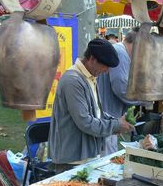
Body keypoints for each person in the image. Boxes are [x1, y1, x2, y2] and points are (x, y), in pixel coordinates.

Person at [48, 38, 135, 174]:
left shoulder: (90, 77)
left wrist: (117, 122)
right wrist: (116, 125)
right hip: (73, 159)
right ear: (92, 59)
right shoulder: (73, 81)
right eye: (105, 66)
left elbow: (98, 112)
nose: (106, 71)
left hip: (86, 156)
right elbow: (85, 122)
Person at [97, 27, 148, 155]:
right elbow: (121, 87)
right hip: (108, 116)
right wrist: (143, 99)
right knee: (107, 159)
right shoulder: (120, 53)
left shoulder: (122, 52)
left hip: (110, 117)